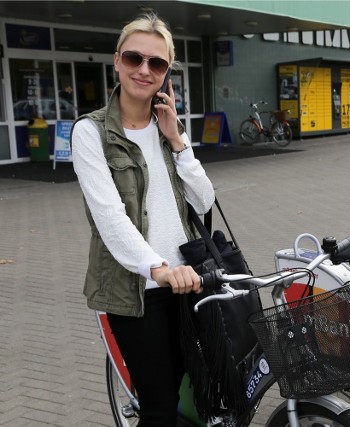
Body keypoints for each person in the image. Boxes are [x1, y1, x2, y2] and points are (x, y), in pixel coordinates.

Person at [71, 13, 215, 426]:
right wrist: (159, 268)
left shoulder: (167, 126)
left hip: (189, 278)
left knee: (203, 385)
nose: (144, 70)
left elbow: (203, 202)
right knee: (158, 405)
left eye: (157, 63)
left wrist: (177, 140)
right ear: (117, 61)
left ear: (167, 71)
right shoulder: (90, 132)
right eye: (134, 58)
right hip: (138, 289)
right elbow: (109, 216)